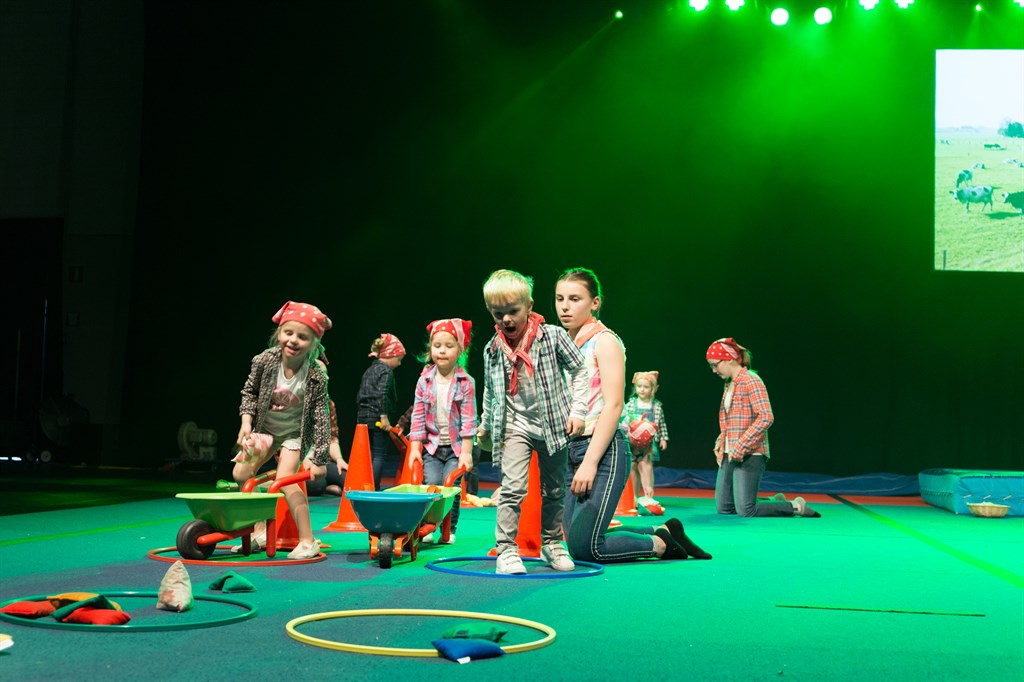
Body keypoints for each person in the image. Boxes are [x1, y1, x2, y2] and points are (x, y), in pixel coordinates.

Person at [556, 268, 711, 563]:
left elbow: (614, 405)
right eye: (560, 298)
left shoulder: (604, 341)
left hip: (603, 449)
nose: (565, 306)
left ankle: (659, 544)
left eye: (575, 299)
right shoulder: (564, 343)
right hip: (571, 448)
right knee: (573, 539)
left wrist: (589, 462)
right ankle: (663, 531)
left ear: (595, 303)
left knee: (587, 549)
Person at [477, 269, 588, 575]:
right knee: (512, 488)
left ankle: (552, 544)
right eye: (498, 314)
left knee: (554, 490)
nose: (506, 320)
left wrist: (578, 411)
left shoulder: (552, 336)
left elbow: (580, 370)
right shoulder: (493, 349)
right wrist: (486, 423)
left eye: (513, 311)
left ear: (529, 306)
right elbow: (491, 390)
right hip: (515, 427)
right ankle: (506, 550)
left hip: (553, 425)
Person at [232, 301, 332, 559]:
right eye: (288, 333)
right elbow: (250, 392)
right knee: (241, 473)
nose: (293, 340)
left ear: (314, 343)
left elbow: (321, 416)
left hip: (293, 435)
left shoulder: (315, 374)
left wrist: (319, 457)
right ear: (279, 333)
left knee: (285, 480)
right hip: (265, 430)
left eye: (303, 337)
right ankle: (258, 531)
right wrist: (246, 423)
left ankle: (308, 541)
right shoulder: (264, 361)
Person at [707, 337, 819, 518]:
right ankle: (774, 501)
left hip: (751, 453)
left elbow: (766, 417)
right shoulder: (729, 385)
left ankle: (795, 506)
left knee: (746, 510)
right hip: (730, 452)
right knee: (724, 507)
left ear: (729, 359)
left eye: (715, 365)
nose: (713, 370)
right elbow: (731, 421)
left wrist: (741, 445)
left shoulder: (751, 380)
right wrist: (721, 441)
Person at [407, 318, 477, 544]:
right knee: (432, 485)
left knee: (452, 488)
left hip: (456, 449)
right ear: (430, 349)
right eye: (437, 346)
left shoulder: (466, 382)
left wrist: (466, 453)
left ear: (460, 350)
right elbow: (418, 416)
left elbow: (469, 420)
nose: (442, 351)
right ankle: (429, 526)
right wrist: (415, 448)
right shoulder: (424, 381)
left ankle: (449, 530)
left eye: (449, 346)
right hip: (432, 447)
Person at [357, 333, 406, 490]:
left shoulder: (370, 369)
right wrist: (383, 416)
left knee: (368, 454)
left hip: (363, 417)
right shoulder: (386, 371)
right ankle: (374, 486)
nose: (399, 364)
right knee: (379, 454)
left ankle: (365, 484)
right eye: (398, 359)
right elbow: (381, 394)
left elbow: (361, 394)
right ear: (390, 355)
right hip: (377, 418)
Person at [621, 371, 669, 506]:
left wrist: (663, 438)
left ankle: (648, 495)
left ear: (653, 389)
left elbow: (661, 423)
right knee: (632, 466)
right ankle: (634, 496)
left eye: (646, 387)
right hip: (632, 442)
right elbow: (625, 420)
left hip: (648, 444)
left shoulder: (656, 406)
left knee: (646, 466)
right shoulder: (631, 403)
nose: (642, 389)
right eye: (639, 386)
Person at [305, 400, 346, 496]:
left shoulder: (328, 403)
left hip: (322, 461)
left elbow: (331, 438)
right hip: (299, 461)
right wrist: (303, 461)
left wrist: (339, 459)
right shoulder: (295, 404)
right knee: (317, 485)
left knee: (349, 479)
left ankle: (327, 486)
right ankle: (326, 488)